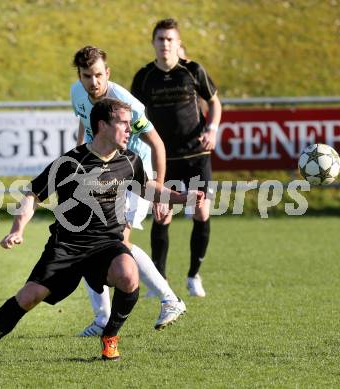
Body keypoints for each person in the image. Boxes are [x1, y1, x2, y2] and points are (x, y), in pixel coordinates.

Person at [0, 98, 204, 365]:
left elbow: (147, 187)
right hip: (67, 245)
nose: (129, 129)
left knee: (128, 274)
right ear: (103, 125)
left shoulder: (129, 161)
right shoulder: (69, 163)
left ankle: (110, 337)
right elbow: (33, 194)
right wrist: (17, 229)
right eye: (123, 123)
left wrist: (182, 198)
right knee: (29, 297)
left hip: (107, 243)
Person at [70, 46, 186, 336]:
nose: (93, 82)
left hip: (136, 176)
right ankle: (102, 319)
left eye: (98, 75)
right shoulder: (76, 93)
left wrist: (161, 189)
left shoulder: (125, 104)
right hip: (104, 175)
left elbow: (156, 144)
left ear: (107, 73)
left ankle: (170, 299)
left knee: (117, 244)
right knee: (88, 240)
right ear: (79, 76)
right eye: (87, 76)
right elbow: (85, 128)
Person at [131, 18, 222, 297]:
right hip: (162, 158)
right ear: (154, 44)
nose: (165, 44)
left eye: (170, 39)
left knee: (201, 210)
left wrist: (212, 129)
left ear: (178, 43)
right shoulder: (144, 77)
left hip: (196, 154)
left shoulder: (192, 71)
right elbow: (135, 117)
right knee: (162, 216)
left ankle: (194, 275)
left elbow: (214, 103)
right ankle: (160, 280)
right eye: (160, 39)